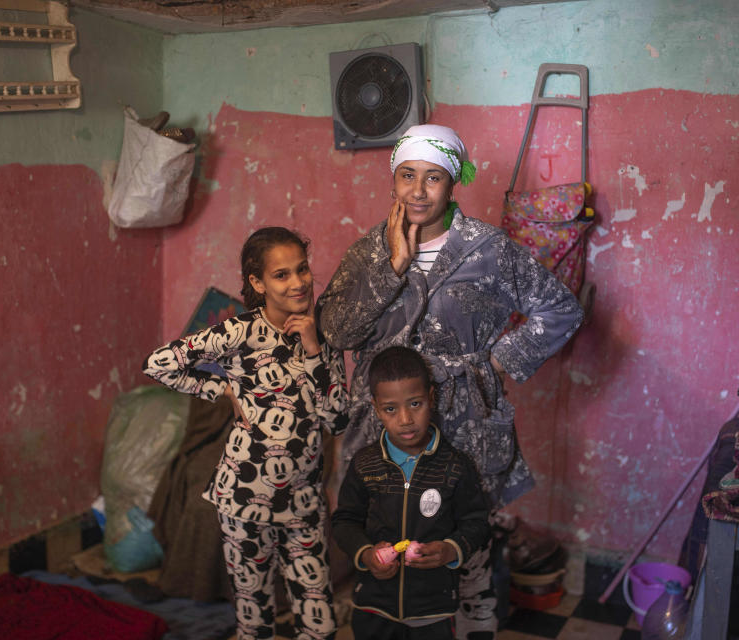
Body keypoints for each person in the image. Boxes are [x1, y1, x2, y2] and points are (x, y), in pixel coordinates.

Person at [317, 124, 583, 638]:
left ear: (454, 181)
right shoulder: (369, 250)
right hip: (382, 429)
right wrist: (392, 268)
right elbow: (336, 331)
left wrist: (494, 363)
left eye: (433, 177)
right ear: (393, 181)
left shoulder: (487, 249)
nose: (418, 191)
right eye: (407, 176)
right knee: (385, 552)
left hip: (463, 424)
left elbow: (559, 309)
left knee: (464, 555)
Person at [143, 227, 348, 640]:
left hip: (303, 501)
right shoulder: (239, 333)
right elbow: (159, 362)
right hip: (243, 498)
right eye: (281, 274)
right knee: (255, 624)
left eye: (302, 270)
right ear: (258, 283)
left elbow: (338, 418)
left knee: (321, 625)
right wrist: (220, 389)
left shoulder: (322, 336)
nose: (298, 282)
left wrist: (312, 350)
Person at [332, 346, 490, 640]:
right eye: (391, 409)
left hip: (433, 608)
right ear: (377, 408)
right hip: (373, 605)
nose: (405, 419)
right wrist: (366, 554)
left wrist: (450, 550)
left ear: (431, 398)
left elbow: (477, 522)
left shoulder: (455, 466)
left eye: (415, 404)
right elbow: (344, 521)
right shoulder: (365, 464)